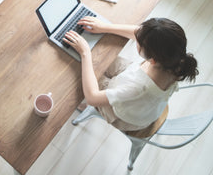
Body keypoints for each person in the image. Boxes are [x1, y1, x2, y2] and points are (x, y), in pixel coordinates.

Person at [63, 17, 198, 131]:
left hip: (124, 115)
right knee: (99, 57)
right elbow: (139, 33)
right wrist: (104, 27)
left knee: (82, 68)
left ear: (152, 60)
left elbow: (93, 97)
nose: (136, 36)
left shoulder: (138, 89)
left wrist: (85, 53)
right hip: (134, 84)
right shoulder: (174, 59)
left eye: (139, 43)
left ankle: (86, 106)